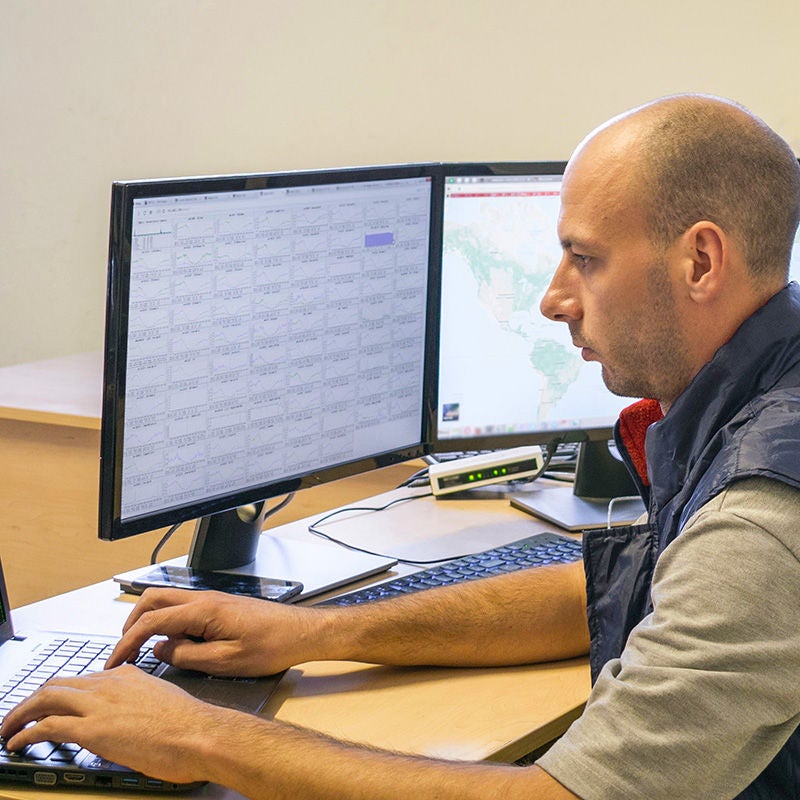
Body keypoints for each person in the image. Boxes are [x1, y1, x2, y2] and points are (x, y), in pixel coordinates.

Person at [4, 93, 800, 800]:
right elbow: (623, 588)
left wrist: (204, 736)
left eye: (585, 259)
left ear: (700, 260)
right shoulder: (764, 394)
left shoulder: (760, 517)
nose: (554, 298)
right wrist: (314, 633)